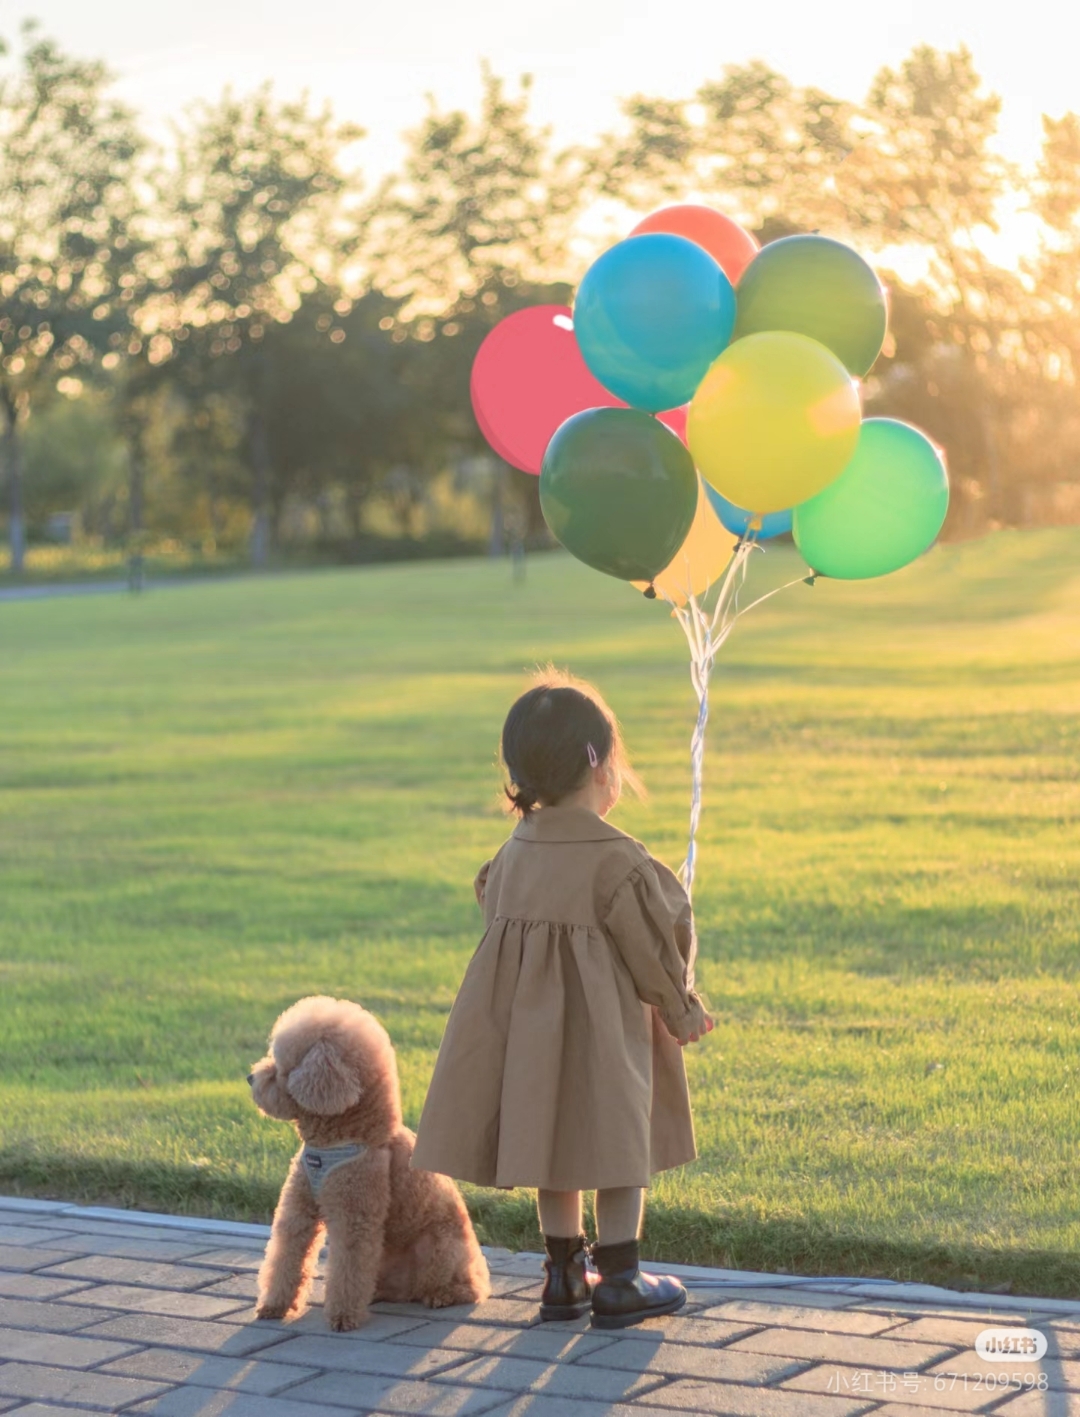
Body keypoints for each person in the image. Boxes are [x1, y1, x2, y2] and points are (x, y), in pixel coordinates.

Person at [411, 671, 713, 1329]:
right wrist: (681, 1008)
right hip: (605, 1034)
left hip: (534, 1036)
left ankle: (563, 1276)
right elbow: (654, 946)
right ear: (598, 764)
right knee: (617, 1146)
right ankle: (621, 1278)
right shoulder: (618, 859)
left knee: (555, 1146)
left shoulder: (514, 851)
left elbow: (496, 917)